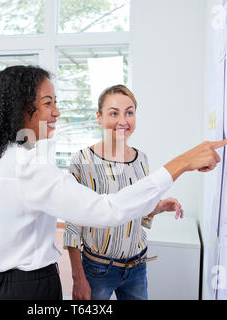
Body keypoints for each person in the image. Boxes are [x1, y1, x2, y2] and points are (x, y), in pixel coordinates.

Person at [0, 65, 227, 300]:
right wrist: (182, 162)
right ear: (22, 107)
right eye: (48, 103)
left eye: (129, 112)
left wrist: (153, 206)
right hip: (31, 285)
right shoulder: (31, 168)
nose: (57, 112)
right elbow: (106, 210)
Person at [63, 85, 183, 300]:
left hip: (137, 266)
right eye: (113, 113)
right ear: (99, 117)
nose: (123, 120)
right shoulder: (82, 160)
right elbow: (73, 223)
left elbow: (136, 211)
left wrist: (158, 207)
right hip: (98, 269)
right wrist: (78, 278)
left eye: (129, 112)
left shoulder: (141, 159)